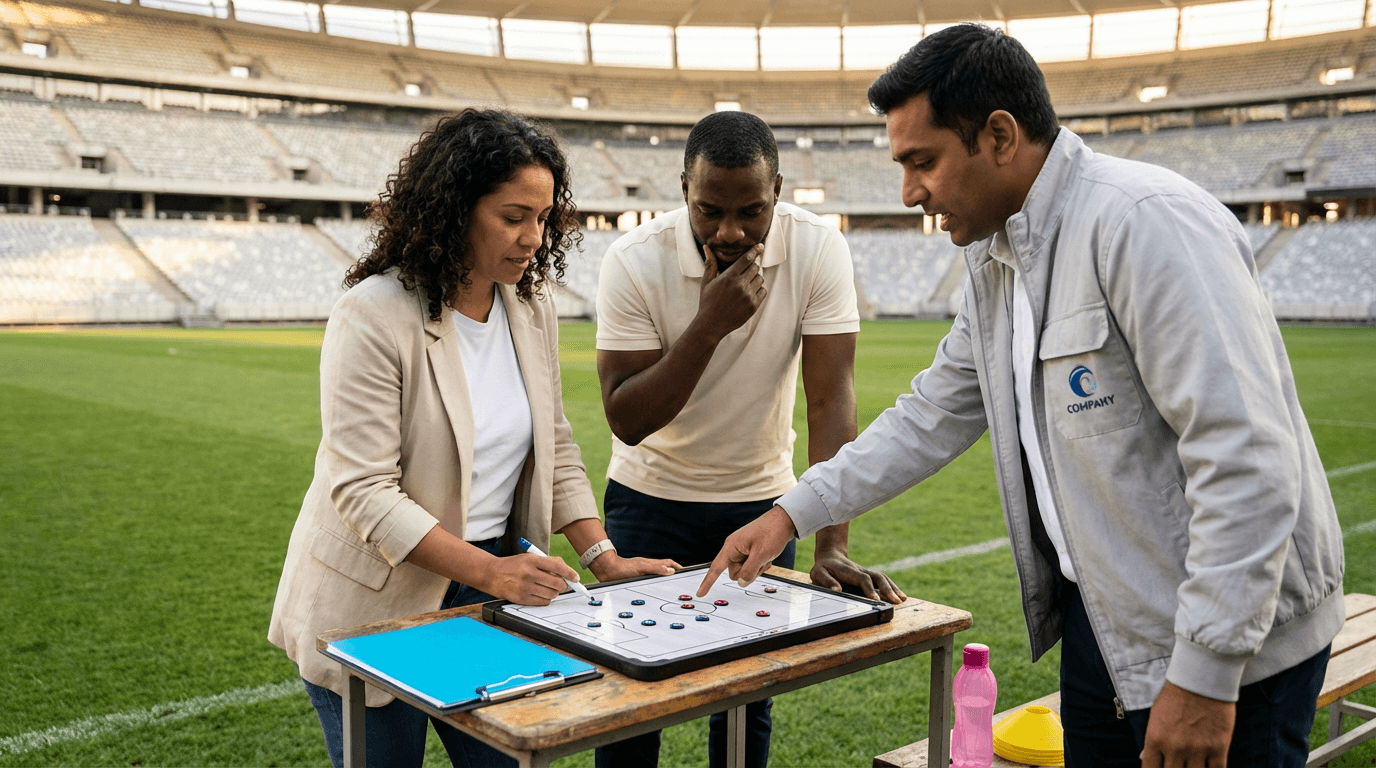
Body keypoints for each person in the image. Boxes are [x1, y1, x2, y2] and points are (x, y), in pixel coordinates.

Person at [698, 24, 1345, 768]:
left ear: (1000, 137)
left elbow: (1246, 454)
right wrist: (790, 514)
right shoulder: (996, 258)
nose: (910, 192)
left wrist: (1206, 670)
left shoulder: (1143, 223)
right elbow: (931, 414)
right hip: (1108, 627)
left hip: (1233, 651)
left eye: (923, 162)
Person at [267, 108, 677, 768]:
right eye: (513, 217)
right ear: (456, 210)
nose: (532, 238)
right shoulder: (372, 314)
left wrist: (603, 558)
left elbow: (555, 442)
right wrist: (490, 571)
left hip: (491, 590)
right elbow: (364, 490)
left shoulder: (531, 305)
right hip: (377, 600)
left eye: (543, 218)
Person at [593, 109, 907, 768]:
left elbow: (830, 399)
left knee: (747, 696)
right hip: (648, 499)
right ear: (684, 189)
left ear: (778, 191)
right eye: (709, 211)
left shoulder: (818, 247)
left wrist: (832, 542)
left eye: (751, 211)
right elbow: (627, 418)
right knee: (627, 703)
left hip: (763, 505)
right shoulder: (633, 259)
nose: (730, 232)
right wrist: (710, 324)